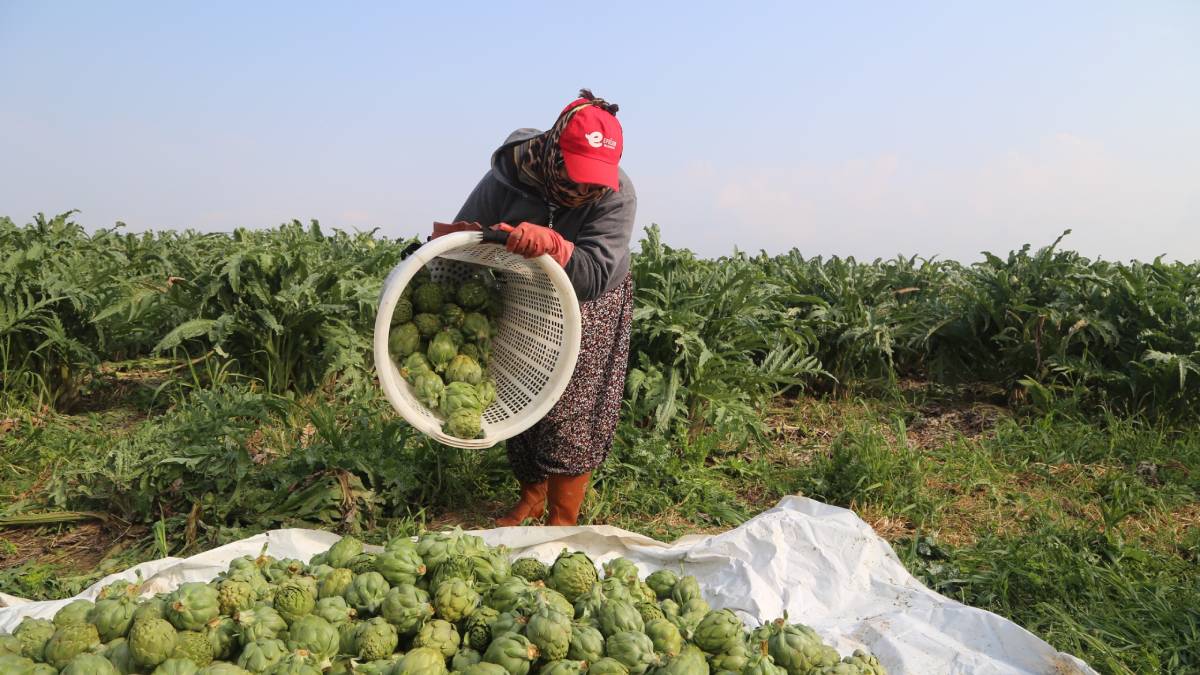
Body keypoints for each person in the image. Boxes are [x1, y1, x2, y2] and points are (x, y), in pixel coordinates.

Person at [431, 89, 636, 527]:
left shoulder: (617, 194)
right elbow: (459, 245)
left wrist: (557, 247)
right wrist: (436, 303)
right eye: (577, 173)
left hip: (591, 297)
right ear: (553, 149)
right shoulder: (510, 176)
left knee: (571, 407)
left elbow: (594, 274)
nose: (585, 187)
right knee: (521, 391)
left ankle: (562, 521)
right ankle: (531, 497)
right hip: (524, 290)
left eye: (595, 177)